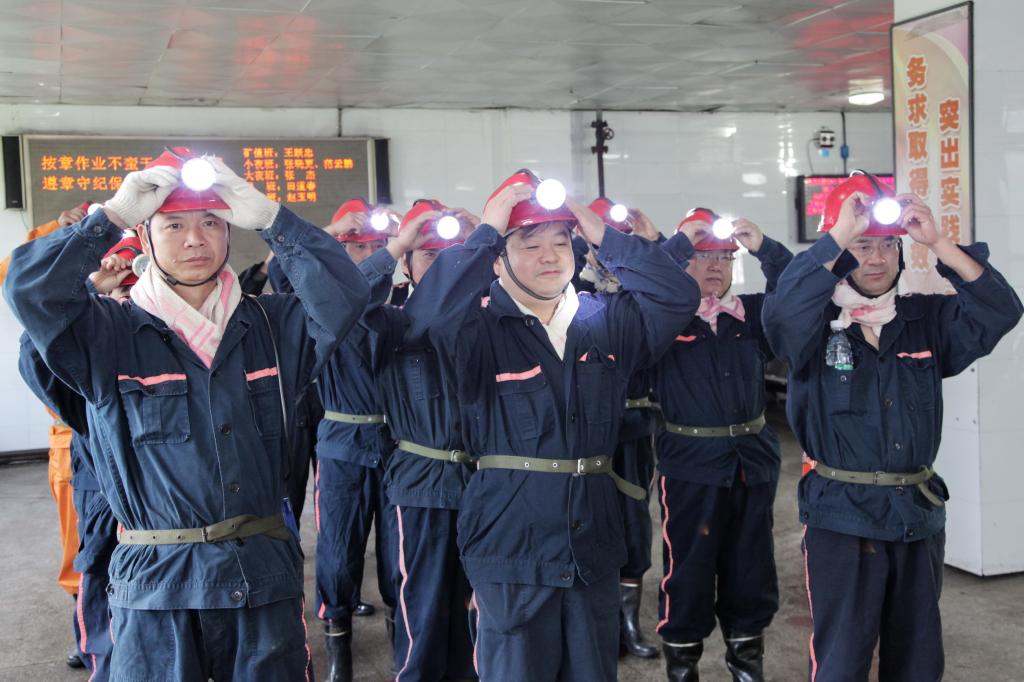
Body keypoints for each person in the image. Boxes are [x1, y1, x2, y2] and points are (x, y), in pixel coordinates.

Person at [4, 147, 370, 681]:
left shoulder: (274, 328)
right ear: (145, 236)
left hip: (261, 578)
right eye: (173, 225)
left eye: (211, 222)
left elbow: (346, 294)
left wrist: (272, 218)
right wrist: (110, 218)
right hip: (158, 587)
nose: (195, 239)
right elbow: (29, 290)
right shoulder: (107, 334)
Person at [404, 170, 699, 681]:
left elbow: (677, 296)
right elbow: (426, 316)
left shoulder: (606, 320)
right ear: (499, 258)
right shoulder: (476, 328)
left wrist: (602, 234)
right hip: (512, 549)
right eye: (530, 244)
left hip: (592, 545)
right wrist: (486, 232)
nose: (550, 256)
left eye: (561, 242)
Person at [762, 172, 1023, 681]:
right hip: (842, 517)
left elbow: (1001, 311)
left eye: (887, 245)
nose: (877, 258)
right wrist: (838, 235)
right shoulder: (812, 327)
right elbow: (781, 315)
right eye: (862, 246)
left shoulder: (924, 319)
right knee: (841, 661)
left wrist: (938, 242)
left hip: (916, 515)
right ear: (841, 251)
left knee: (918, 661)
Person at [653, 208, 793, 682]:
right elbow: (640, 290)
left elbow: (800, 290)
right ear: (682, 263)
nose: (715, 266)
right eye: (702, 255)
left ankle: (746, 664)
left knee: (752, 568)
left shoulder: (752, 315)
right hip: (690, 466)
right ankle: (683, 668)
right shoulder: (663, 319)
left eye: (725, 257)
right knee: (687, 571)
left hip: (751, 462)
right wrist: (673, 247)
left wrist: (766, 248)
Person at [358, 199, 480, 682]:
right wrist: (395, 245)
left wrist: (485, 242)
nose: (444, 264)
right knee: (423, 611)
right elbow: (347, 300)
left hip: (487, 486)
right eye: (429, 254)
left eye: (453, 253)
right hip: (423, 487)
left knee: (480, 610)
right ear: (407, 265)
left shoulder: (491, 318)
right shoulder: (393, 322)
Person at [309, 198, 404, 682]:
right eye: (357, 246)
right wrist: (327, 233)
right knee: (337, 546)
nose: (369, 255)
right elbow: (283, 272)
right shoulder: (323, 306)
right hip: (343, 442)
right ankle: (338, 647)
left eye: (376, 245)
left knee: (397, 549)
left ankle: (401, 638)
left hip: (397, 444)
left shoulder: (403, 305)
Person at [0, 202, 91, 669]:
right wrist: (57, 228)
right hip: (73, 441)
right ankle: (87, 631)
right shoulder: (54, 305)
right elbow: (14, 275)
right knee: (81, 546)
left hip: (142, 438)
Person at [586, 197, 661, 661]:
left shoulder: (644, 292)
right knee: (589, 522)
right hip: (585, 429)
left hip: (634, 430)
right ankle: (597, 624)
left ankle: (629, 622)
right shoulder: (568, 289)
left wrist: (654, 245)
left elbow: (675, 290)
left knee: (634, 523)